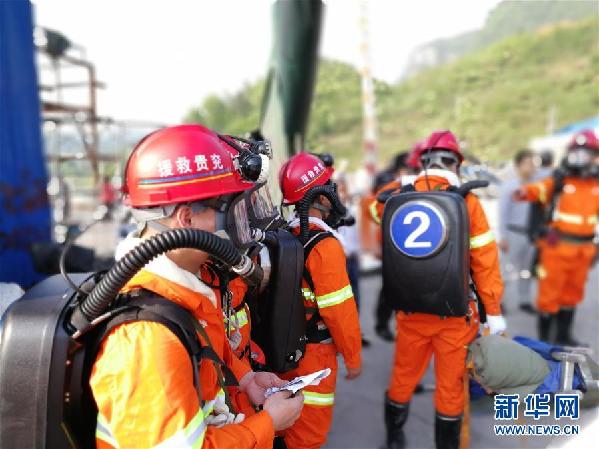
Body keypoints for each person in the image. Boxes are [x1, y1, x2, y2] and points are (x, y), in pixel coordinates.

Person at [90, 125, 303, 449]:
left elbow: (206, 358)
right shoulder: (149, 337)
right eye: (233, 210)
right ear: (187, 220)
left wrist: (246, 380)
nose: (242, 225)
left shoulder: (186, 290)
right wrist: (267, 424)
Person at [384, 130, 505, 449]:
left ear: (422, 162)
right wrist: (493, 311)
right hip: (454, 315)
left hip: (411, 311)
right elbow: (484, 261)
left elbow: (374, 207)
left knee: (403, 376)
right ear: (456, 164)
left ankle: (394, 439)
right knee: (450, 386)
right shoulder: (467, 201)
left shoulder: (400, 195)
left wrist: (404, 182)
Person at [278, 152, 362, 449]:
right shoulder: (324, 246)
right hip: (314, 360)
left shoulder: (281, 236)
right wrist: (353, 358)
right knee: (307, 437)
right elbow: (340, 312)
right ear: (323, 196)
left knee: (282, 431)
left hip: (280, 352)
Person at [513, 129, 599, 345]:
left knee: (572, 295)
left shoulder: (596, 185)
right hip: (556, 248)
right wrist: (522, 192)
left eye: (586, 153)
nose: (580, 158)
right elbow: (536, 190)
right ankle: (545, 343)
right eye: (576, 153)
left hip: (583, 251)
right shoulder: (559, 181)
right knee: (549, 298)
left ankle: (563, 336)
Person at [369, 145, 422, 342]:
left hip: (404, 243)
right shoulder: (388, 183)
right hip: (390, 244)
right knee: (389, 287)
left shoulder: (407, 184)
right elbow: (376, 213)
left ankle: (404, 323)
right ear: (403, 169)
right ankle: (382, 324)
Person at [497, 149, 537, 314]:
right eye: (528, 163)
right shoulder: (510, 187)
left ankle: (524, 300)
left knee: (526, 271)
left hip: (530, 235)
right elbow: (503, 213)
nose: (532, 167)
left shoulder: (535, 187)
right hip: (513, 233)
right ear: (518, 166)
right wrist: (503, 236)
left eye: (533, 163)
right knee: (507, 271)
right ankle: (500, 302)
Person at [336, 174, 370, 347]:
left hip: (352, 260)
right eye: (338, 189)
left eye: (343, 188)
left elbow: (357, 234)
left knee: (356, 297)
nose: (342, 192)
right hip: (340, 261)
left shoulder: (351, 209)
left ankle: (356, 332)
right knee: (342, 300)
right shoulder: (332, 214)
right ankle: (344, 335)